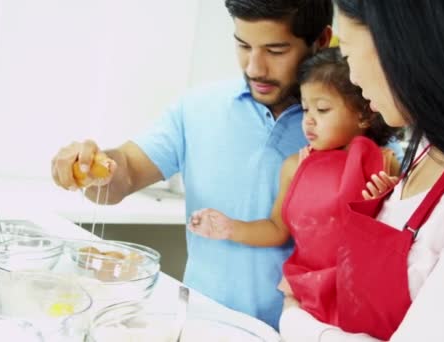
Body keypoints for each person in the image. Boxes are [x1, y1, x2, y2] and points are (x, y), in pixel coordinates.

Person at [278, 0, 444, 341]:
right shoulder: (429, 153)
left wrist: (297, 323)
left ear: (402, 46)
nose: (352, 78)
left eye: (348, 55)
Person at [51, 0, 334, 329]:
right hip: (199, 327)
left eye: (275, 50)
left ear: (321, 41)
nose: (255, 67)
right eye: (243, 45)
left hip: (300, 334)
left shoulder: (352, 128)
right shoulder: (199, 108)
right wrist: (92, 167)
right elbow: (123, 173)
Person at [187, 47, 401, 324]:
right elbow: (277, 230)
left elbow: (397, 241)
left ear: (364, 114)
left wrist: (388, 197)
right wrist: (230, 227)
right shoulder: (295, 166)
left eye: (322, 109)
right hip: (305, 291)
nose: (309, 120)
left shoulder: (384, 163)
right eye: (305, 108)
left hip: (358, 293)